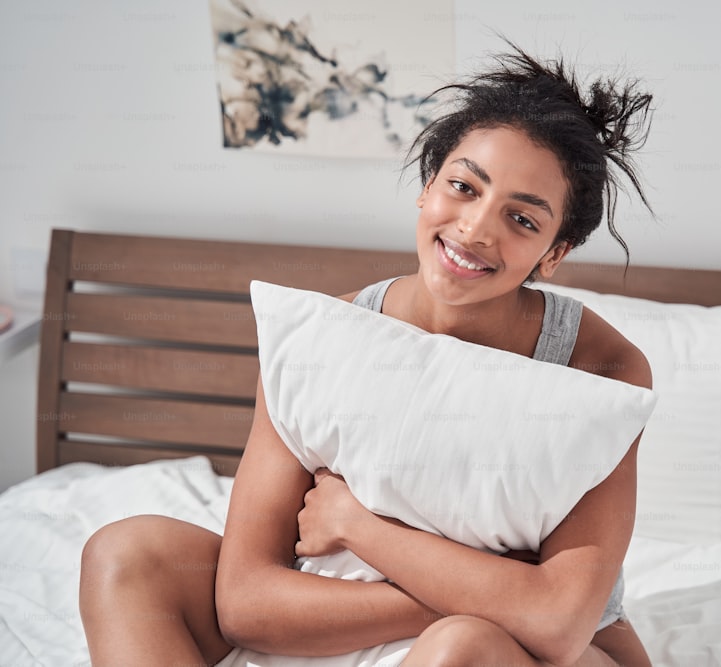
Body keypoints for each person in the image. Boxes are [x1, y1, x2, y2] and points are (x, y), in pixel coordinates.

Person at [79, 40, 655, 667]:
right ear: (427, 186)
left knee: (460, 645)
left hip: (538, 653)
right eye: (463, 187)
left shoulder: (598, 367)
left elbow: (554, 624)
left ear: (554, 252)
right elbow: (244, 603)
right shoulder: (322, 335)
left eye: (522, 220)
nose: (475, 229)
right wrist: (477, 587)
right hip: (344, 611)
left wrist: (359, 526)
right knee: (126, 554)